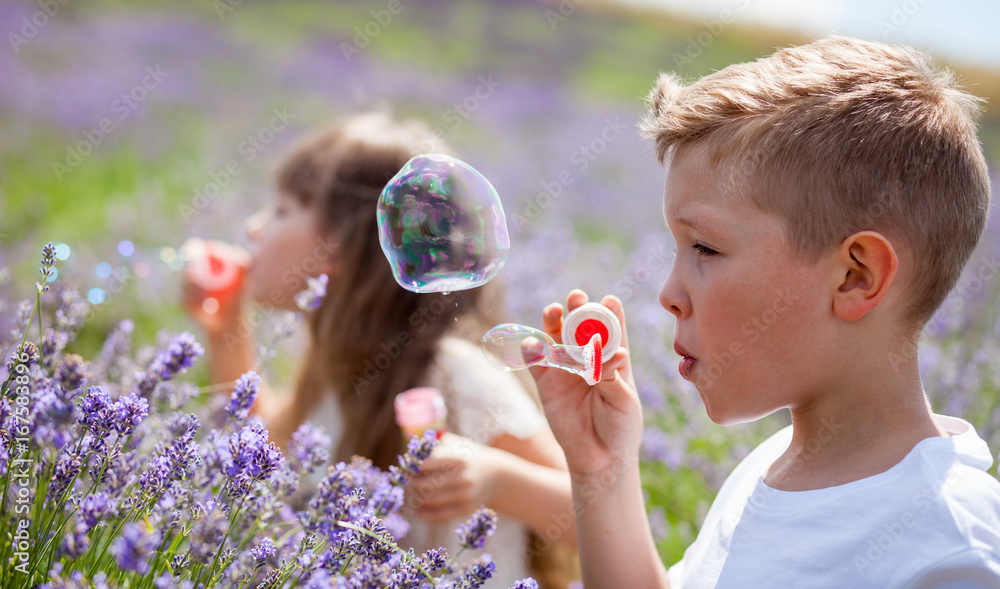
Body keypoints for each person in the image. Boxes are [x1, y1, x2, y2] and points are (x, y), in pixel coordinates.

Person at [526, 37, 1000, 588]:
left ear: (856, 276)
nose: (668, 294)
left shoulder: (949, 557)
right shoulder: (773, 466)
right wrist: (602, 471)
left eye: (704, 248)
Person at [182, 112, 577, 588]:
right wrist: (226, 328)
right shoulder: (331, 366)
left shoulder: (454, 377)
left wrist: (498, 480)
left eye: (281, 211)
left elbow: (586, 509)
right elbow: (265, 454)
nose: (253, 227)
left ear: (339, 248)